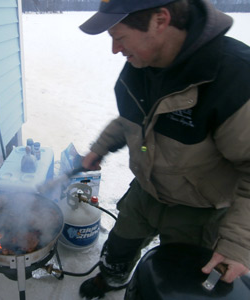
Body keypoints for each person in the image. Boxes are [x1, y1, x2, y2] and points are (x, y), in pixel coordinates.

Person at [78, 0, 250, 299]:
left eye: (119, 37)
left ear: (160, 20)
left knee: (178, 279)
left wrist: (238, 244)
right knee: (119, 246)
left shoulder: (235, 78)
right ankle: (110, 279)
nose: (115, 50)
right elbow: (132, 121)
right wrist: (101, 148)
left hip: (198, 211)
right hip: (145, 192)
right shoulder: (143, 64)